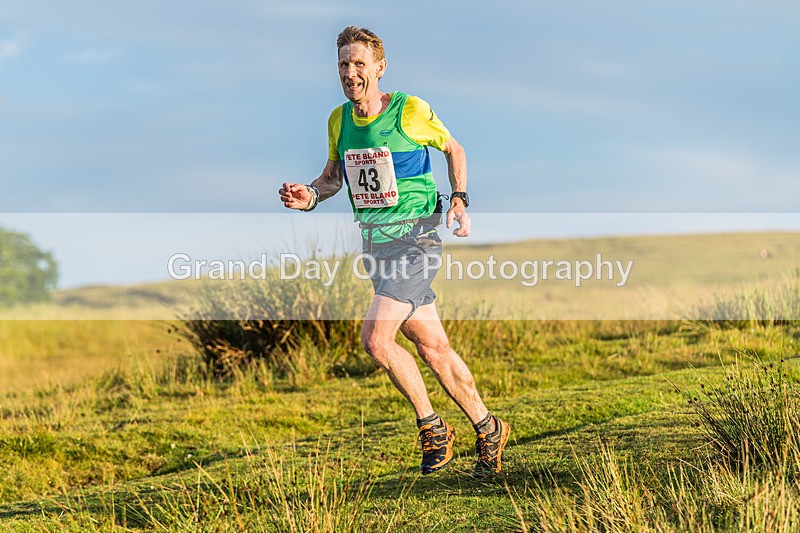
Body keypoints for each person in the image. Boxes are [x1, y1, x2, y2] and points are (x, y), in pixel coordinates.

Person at [278, 26, 510, 476]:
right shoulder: (339, 120)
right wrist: (308, 195)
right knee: (433, 348)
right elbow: (332, 179)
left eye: (359, 63)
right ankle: (488, 426)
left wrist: (459, 198)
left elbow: (453, 148)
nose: (350, 72)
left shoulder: (409, 110)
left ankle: (432, 428)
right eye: (343, 64)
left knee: (376, 339)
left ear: (379, 68)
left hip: (416, 241)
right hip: (377, 249)